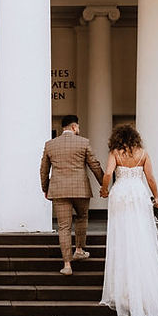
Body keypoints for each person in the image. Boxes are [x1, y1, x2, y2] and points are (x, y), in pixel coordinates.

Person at [99, 123, 158, 316]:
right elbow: (151, 179)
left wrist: (104, 189)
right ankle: (143, 283)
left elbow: (107, 174)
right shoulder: (143, 154)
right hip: (138, 193)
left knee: (121, 238)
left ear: (117, 138)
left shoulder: (115, 152)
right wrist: (156, 197)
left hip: (121, 193)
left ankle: (122, 289)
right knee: (141, 236)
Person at [39, 114, 103, 276]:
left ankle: (67, 265)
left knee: (64, 227)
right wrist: (104, 184)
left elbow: (44, 170)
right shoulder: (84, 142)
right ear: (74, 127)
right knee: (82, 217)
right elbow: (94, 165)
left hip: (59, 190)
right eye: (78, 127)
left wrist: (45, 188)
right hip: (80, 189)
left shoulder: (50, 145)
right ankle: (79, 249)